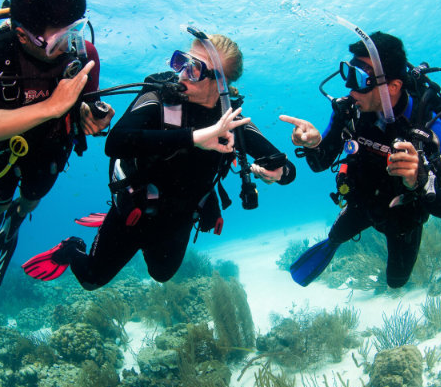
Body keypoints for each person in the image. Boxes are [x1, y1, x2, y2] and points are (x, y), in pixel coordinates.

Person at [22, 33, 297, 288]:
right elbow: (116, 142)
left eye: (194, 68)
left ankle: (145, 242)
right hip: (135, 205)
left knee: (162, 274)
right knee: (91, 279)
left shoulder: (231, 121)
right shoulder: (159, 96)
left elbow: (287, 170)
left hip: (180, 215)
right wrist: (194, 138)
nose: (182, 73)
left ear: (220, 83)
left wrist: (278, 172)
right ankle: (72, 247)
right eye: (181, 61)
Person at [0, 0, 115, 285]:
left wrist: (93, 118)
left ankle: (15, 221)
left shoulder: (85, 53)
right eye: (59, 38)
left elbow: (87, 105)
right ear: (22, 35)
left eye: (76, 30)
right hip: (1, 155)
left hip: (51, 152)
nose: (70, 44)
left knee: (31, 199)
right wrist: (51, 107)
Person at [280, 32, 441, 289]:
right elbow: (320, 164)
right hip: (361, 202)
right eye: (348, 73)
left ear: (393, 87)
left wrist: (420, 180)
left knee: (396, 282)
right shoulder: (349, 112)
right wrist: (313, 145)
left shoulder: (428, 121)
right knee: (335, 236)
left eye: (360, 78)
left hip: (402, 216)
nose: (350, 89)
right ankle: (332, 243)